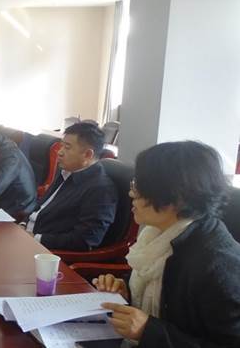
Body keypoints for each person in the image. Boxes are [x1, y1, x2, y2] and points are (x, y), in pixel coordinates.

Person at [94, 141, 240, 346]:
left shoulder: (216, 265)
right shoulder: (157, 236)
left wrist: (149, 330)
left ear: (176, 198)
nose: (131, 193)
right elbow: (163, 292)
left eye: (140, 187)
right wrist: (125, 290)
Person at [22, 122, 117, 250]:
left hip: (46, 252)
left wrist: (36, 239)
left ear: (88, 154)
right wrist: (23, 224)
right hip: (26, 238)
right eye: (61, 145)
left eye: (67, 147)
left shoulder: (101, 189)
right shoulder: (67, 171)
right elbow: (40, 207)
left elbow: (85, 240)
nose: (59, 152)